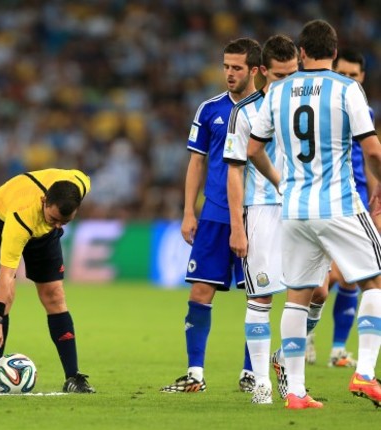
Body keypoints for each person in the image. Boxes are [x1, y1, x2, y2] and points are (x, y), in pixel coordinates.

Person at [248, 19, 381, 409]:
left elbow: (254, 149)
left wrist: (280, 183)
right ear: (335, 52)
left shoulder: (278, 91)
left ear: (301, 53)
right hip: (338, 203)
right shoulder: (348, 88)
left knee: (297, 297)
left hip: (293, 209)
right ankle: (366, 374)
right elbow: (371, 150)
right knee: (375, 282)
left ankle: (296, 393)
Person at [160, 38, 261, 394]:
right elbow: (196, 162)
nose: (229, 73)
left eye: (237, 67)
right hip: (215, 216)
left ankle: (252, 373)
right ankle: (195, 374)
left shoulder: (267, 109)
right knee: (200, 291)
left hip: (258, 214)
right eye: (226, 66)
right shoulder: (209, 109)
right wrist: (189, 212)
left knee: (258, 296)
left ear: (255, 70)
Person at [224, 34, 305, 404]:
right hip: (263, 210)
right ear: (262, 72)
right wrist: (238, 227)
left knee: (317, 292)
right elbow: (235, 172)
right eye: (280, 75)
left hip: (304, 209)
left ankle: (283, 358)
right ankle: (261, 383)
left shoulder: (307, 107)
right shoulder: (246, 113)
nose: (288, 82)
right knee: (262, 298)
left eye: (293, 73)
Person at [0, 168, 95, 393]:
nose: (58, 227)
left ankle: (73, 377)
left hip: (40, 230)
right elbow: (6, 275)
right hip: (1, 220)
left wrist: (52, 222)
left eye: (65, 222)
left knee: (54, 295)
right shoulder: (20, 217)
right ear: (44, 201)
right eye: (54, 218)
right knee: (6, 295)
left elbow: (55, 220)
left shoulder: (80, 184)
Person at [305, 48, 377, 368]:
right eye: (343, 73)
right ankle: (305, 335)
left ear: (363, 78)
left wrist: (376, 194)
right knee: (326, 280)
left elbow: (370, 158)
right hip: (330, 197)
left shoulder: (367, 112)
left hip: (358, 196)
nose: (349, 80)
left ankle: (337, 349)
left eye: (354, 75)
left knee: (352, 277)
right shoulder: (323, 107)